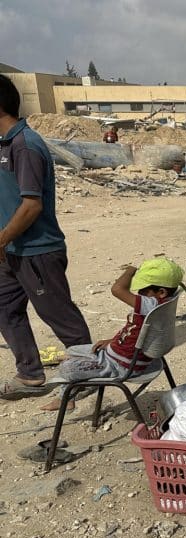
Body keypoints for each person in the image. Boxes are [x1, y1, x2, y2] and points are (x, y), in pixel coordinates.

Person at [0, 74, 92, 399]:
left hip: (36, 249)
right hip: (11, 249)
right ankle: (30, 374)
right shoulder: (6, 144)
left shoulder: (25, 146)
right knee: (5, 307)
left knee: (59, 314)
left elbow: (31, 206)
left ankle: (85, 378)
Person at [42, 259, 186, 411]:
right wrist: (112, 341)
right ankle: (71, 392)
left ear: (161, 292)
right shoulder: (163, 302)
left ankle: (67, 397)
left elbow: (117, 289)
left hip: (121, 365)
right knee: (72, 350)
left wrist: (131, 269)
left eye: (143, 290)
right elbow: (135, 333)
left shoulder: (151, 304)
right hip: (124, 353)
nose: (139, 293)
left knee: (67, 369)